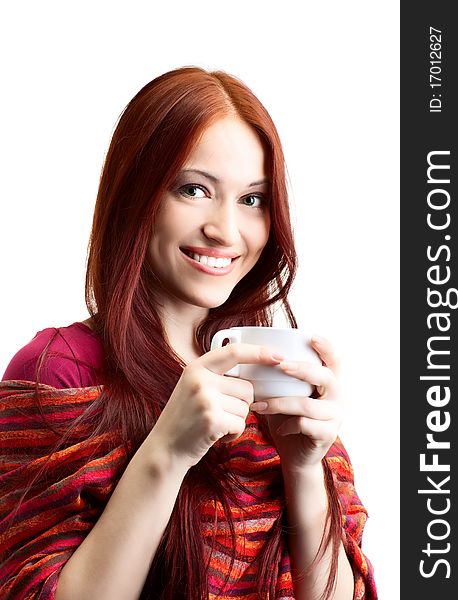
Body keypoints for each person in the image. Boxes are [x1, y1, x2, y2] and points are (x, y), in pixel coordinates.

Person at [0, 66, 377, 600]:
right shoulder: (60, 371)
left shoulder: (273, 368)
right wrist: (168, 452)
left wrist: (304, 466)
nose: (226, 230)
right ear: (138, 195)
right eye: (195, 189)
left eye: (252, 199)